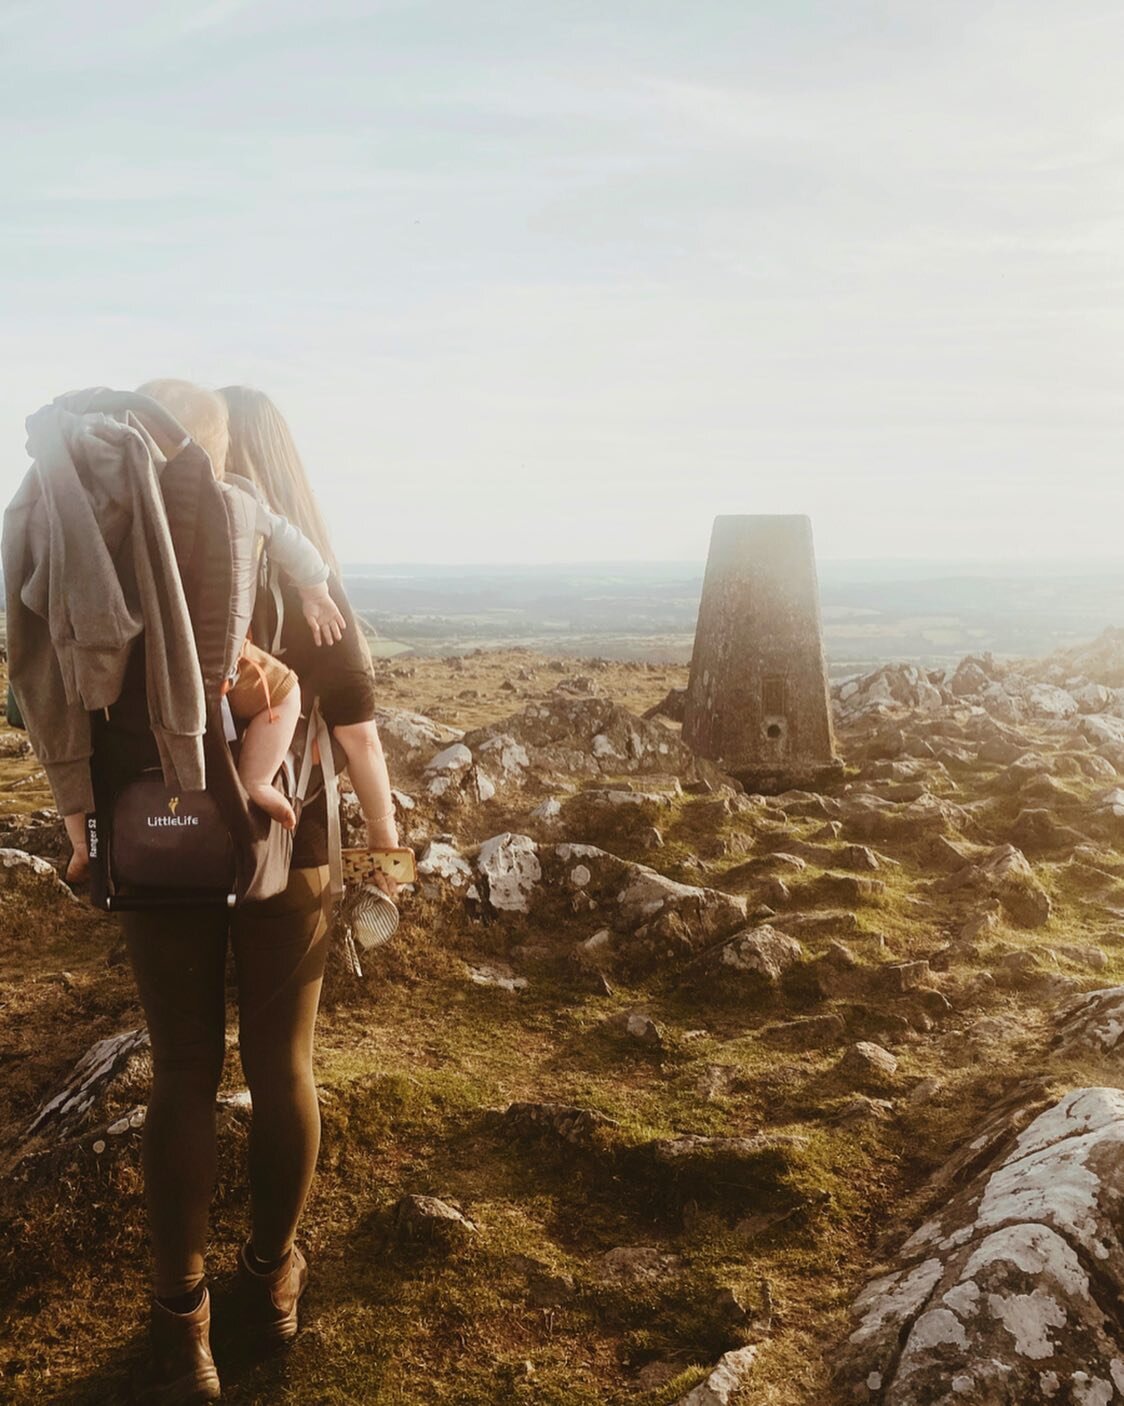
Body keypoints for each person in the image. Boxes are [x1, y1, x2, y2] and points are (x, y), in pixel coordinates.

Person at [94, 385, 400, 1404]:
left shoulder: (136, 557)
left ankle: (181, 1329)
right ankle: (269, 1284)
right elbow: (354, 728)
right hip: (287, 844)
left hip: (165, 842)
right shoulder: (302, 570)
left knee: (181, 1068)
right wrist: (388, 843)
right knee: (283, 1066)